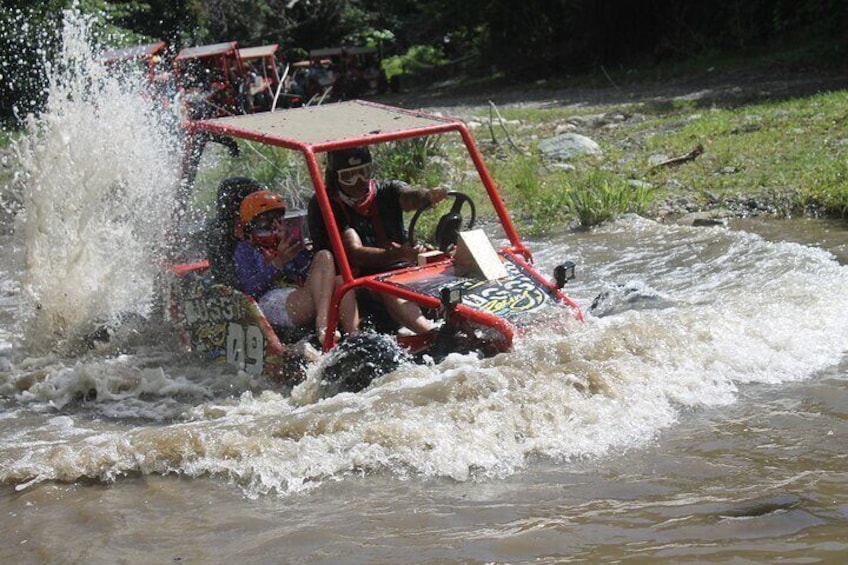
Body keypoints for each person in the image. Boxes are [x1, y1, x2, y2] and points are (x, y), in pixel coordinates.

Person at [308, 146, 447, 334]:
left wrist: (427, 197)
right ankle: (431, 332)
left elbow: (408, 196)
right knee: (390, 288)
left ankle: (464, 316)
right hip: (358, 281)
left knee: (449, 260)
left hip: (403, 269)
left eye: (364, 173)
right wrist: (398, 254)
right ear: (335, 177)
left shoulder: (386, 190)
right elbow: (354, 253)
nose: (359, 182)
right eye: (349, 176)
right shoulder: (327, 204)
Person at [235, 190, 358, 343]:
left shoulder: (286, 242)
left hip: (300, 292)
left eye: (277, 220)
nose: (272, 227)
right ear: (250, 227)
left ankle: (355, 336)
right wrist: (277, 263)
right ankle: (324, 327)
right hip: (270, 301)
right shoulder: (245, 249)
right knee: (324, 289)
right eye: (264, 223)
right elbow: (250, 288)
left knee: (334, 272)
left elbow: (308, 272)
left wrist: (296, 252)